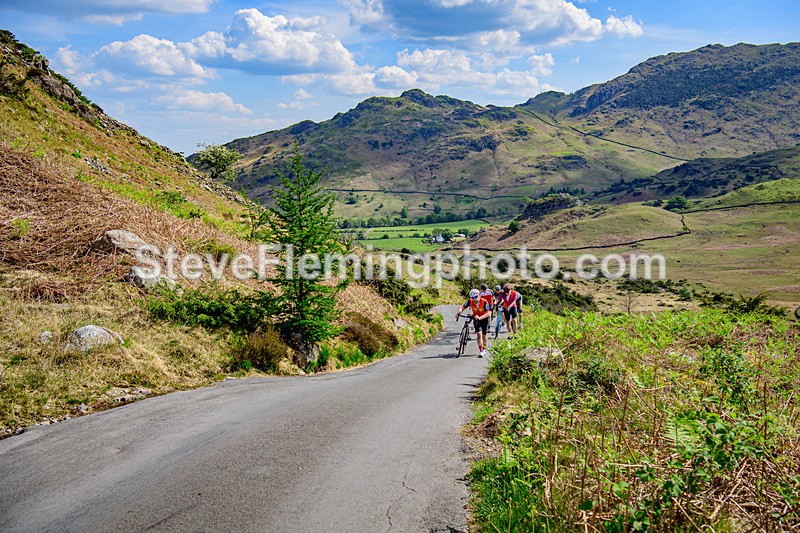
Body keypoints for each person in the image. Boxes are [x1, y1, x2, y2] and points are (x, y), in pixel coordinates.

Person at [456, 288, 492, 357]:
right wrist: (458, 313)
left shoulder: (484, 302)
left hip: (484, 319)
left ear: (479, 296)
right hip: (476, 318)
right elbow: (463, 307)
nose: (474, 299)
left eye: (475, 297)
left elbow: (488, 314)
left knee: (484, 335)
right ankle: (481, 350)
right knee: (479, 334)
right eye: (472, 297)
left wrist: (480, 317)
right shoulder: (470, 301)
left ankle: (484, 348)